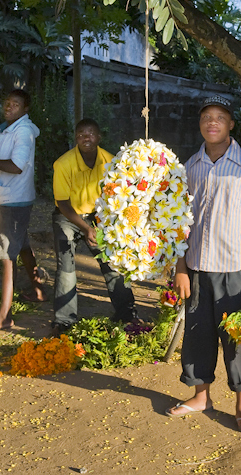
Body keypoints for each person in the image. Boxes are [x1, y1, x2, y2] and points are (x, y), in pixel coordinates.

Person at [166, 96, 241, 435]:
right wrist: (180, 267)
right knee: (197, 336)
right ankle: (201, 396)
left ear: (231, 124)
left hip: (234, 272)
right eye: (206, 117)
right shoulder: (190, 167)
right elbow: (178, 222)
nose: (212, 122)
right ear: (201, 124)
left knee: (237, 341)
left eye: (220, 117)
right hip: (196, 271)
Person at [50, 118, 138, 334]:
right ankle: (64, 321)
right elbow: (62, 203)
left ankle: (127, 314)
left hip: (98, 216)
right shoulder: (63, 164)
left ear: (99, 137)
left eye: (90, 134)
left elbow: (114, 197)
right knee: (66, 267)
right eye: (81, 134)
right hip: (67, 215)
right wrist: (86, 228)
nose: (85, 138)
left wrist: (101, 225)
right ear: (75, 138)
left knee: (111, 262)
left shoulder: (110, 161)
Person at [0, 89, 44, 331]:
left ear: (25, 109)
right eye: (7, 103)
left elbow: (15, 166)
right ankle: (37, 290)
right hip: (7, 196)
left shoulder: (23, 131)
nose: (9, 107)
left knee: (6, 255)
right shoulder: (5, 128)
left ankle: (4, 316)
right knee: (21, 244)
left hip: (15, 199)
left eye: (15, 104)